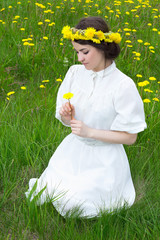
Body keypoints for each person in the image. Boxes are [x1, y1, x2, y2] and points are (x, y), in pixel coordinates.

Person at [25, 17, 147, 218]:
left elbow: (130, 137)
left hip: (105, 159)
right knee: (52, 191)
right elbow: (69, 123)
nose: (80, 59)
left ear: (103, 47)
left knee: (77, 205)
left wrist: (91, 132)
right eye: (77, 52)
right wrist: (67, 116)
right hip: (73, 152)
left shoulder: (123, 85)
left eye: (85, 52)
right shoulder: (74, 73)